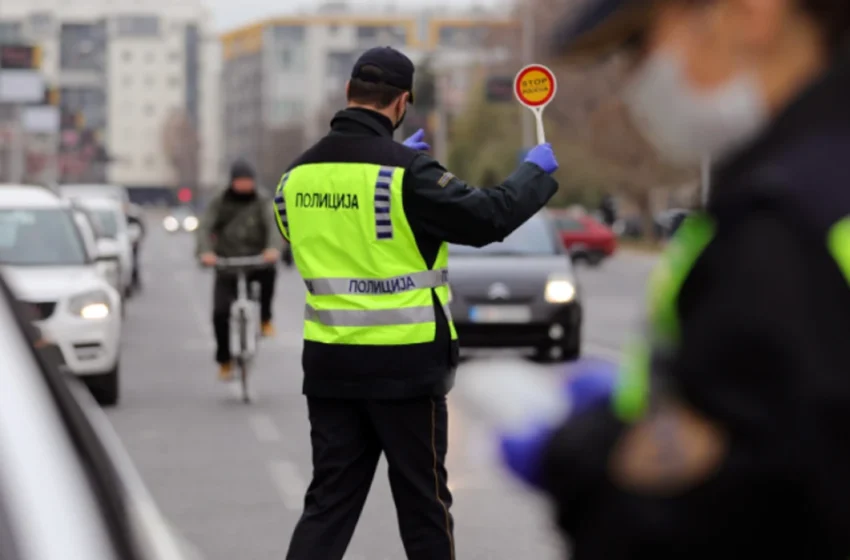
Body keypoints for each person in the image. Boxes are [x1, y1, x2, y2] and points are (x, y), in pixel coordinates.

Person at [498, 0, 850, 558]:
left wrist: (584, 464)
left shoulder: (781, 226)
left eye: (641, 46)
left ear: (749, 14)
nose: (635, 81)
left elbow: (734, 517)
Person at [274, 45, 560, 560]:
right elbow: (488, 217)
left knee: (328, 504)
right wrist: (533, 174)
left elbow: (313, 236)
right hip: (405, 367)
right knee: (423, 507)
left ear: (348, 95)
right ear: (403, 102)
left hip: (330, 365)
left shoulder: (293, 179)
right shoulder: (406, 174)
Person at [196, 160, 282, 380]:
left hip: (256, 260)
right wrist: (206, 252)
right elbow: (205, 227)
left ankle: (265, 319)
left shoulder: (262, 200)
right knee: (220, 313)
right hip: (227, 263)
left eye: (248, 181)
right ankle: (224, 360)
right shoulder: (220, 201)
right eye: (241, 181)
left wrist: (272, 248)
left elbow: (272, 225)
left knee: (270, 274)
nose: (245, 185)